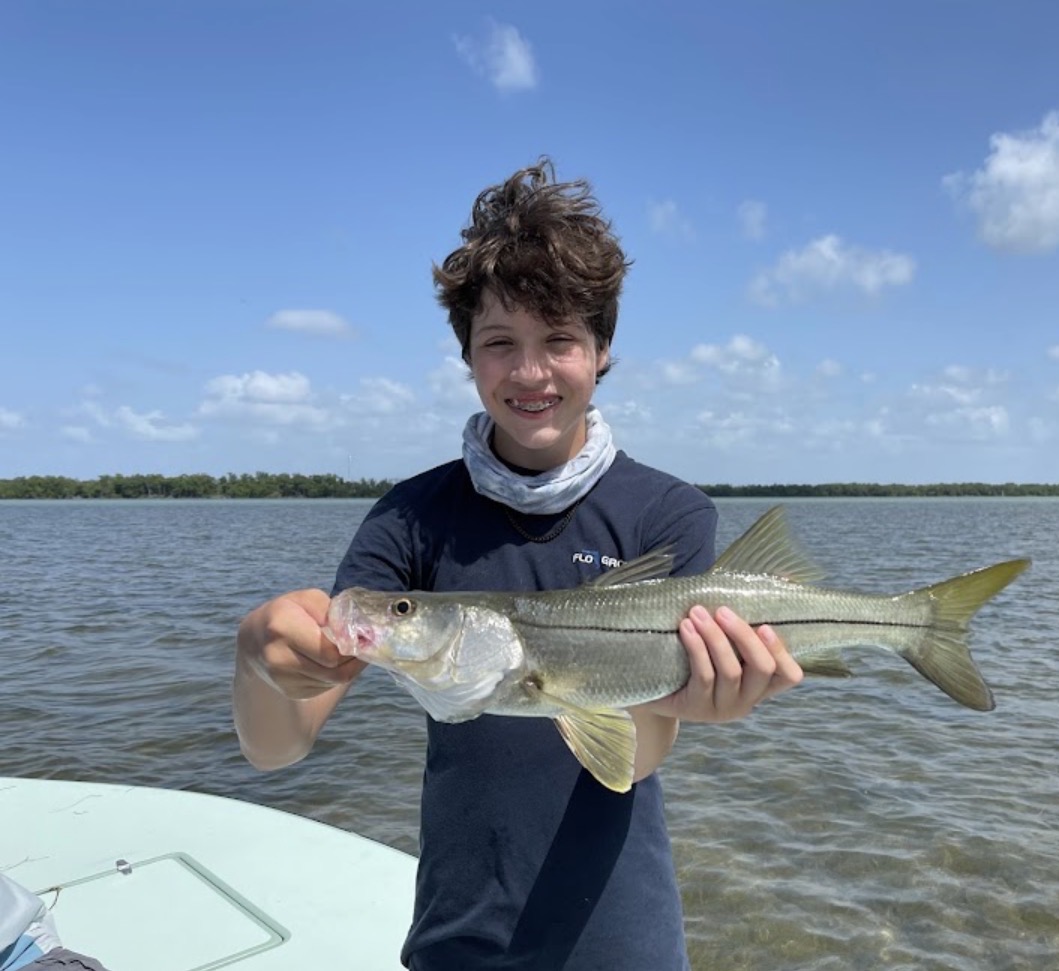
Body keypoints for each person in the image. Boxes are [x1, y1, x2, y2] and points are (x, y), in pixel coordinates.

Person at [232, 158, 803, 971]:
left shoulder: (669, 512)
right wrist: (259, 656)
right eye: (499, 342)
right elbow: (277, 748)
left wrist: (704, 697)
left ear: (602, 350)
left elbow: (638, 755)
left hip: (622, 938)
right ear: (466, 354)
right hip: (457, 936)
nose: (530, 372)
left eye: (560, 340)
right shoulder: (410, 516)